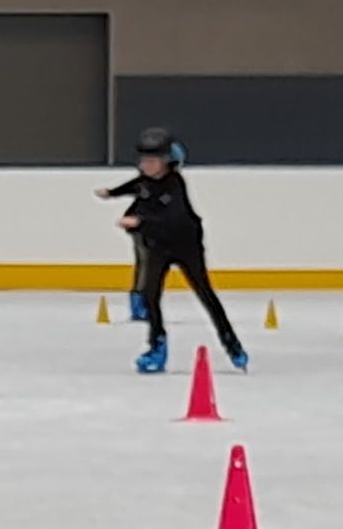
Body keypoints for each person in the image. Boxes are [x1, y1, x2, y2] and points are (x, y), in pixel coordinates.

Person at [101, 127, 247, 374]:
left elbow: (173, 218)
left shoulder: (174, 185)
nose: (146, 165)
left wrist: (140, 222)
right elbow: (134, 187)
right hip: (159, 245)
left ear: (167, 162)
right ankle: (157, 346)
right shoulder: (145, 182)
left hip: (185, 246)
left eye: (152, 161)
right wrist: (111, 193)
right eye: (143, 161)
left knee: (205, 294)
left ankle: (231, 344)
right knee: (150, 294)